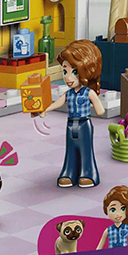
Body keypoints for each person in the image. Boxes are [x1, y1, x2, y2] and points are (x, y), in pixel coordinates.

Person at [35, 40, 104, 187]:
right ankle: (69, 172)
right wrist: (45, 110)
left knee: (86, 150)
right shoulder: (69, 94)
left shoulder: (88, 92)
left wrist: (98, 107)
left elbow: (100, 110)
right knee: (71, 150)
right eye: (65, 72)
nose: (67, 77)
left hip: (84, 125)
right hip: (71, 124)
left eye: (74, 72)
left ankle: (88, 173)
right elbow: (58, 103)